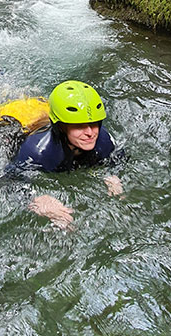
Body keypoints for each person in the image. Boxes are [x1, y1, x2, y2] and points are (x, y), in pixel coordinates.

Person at [11, 80, 123, 228]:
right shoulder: (37, 152)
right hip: (15, 119)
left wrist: (113, 175)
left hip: (43, 110)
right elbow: (10, 180)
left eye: (94, 123)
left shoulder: (104, 141)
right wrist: (35, 199)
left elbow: (118, 158)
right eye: (79, 125)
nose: (90, 133)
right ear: (61, 127)